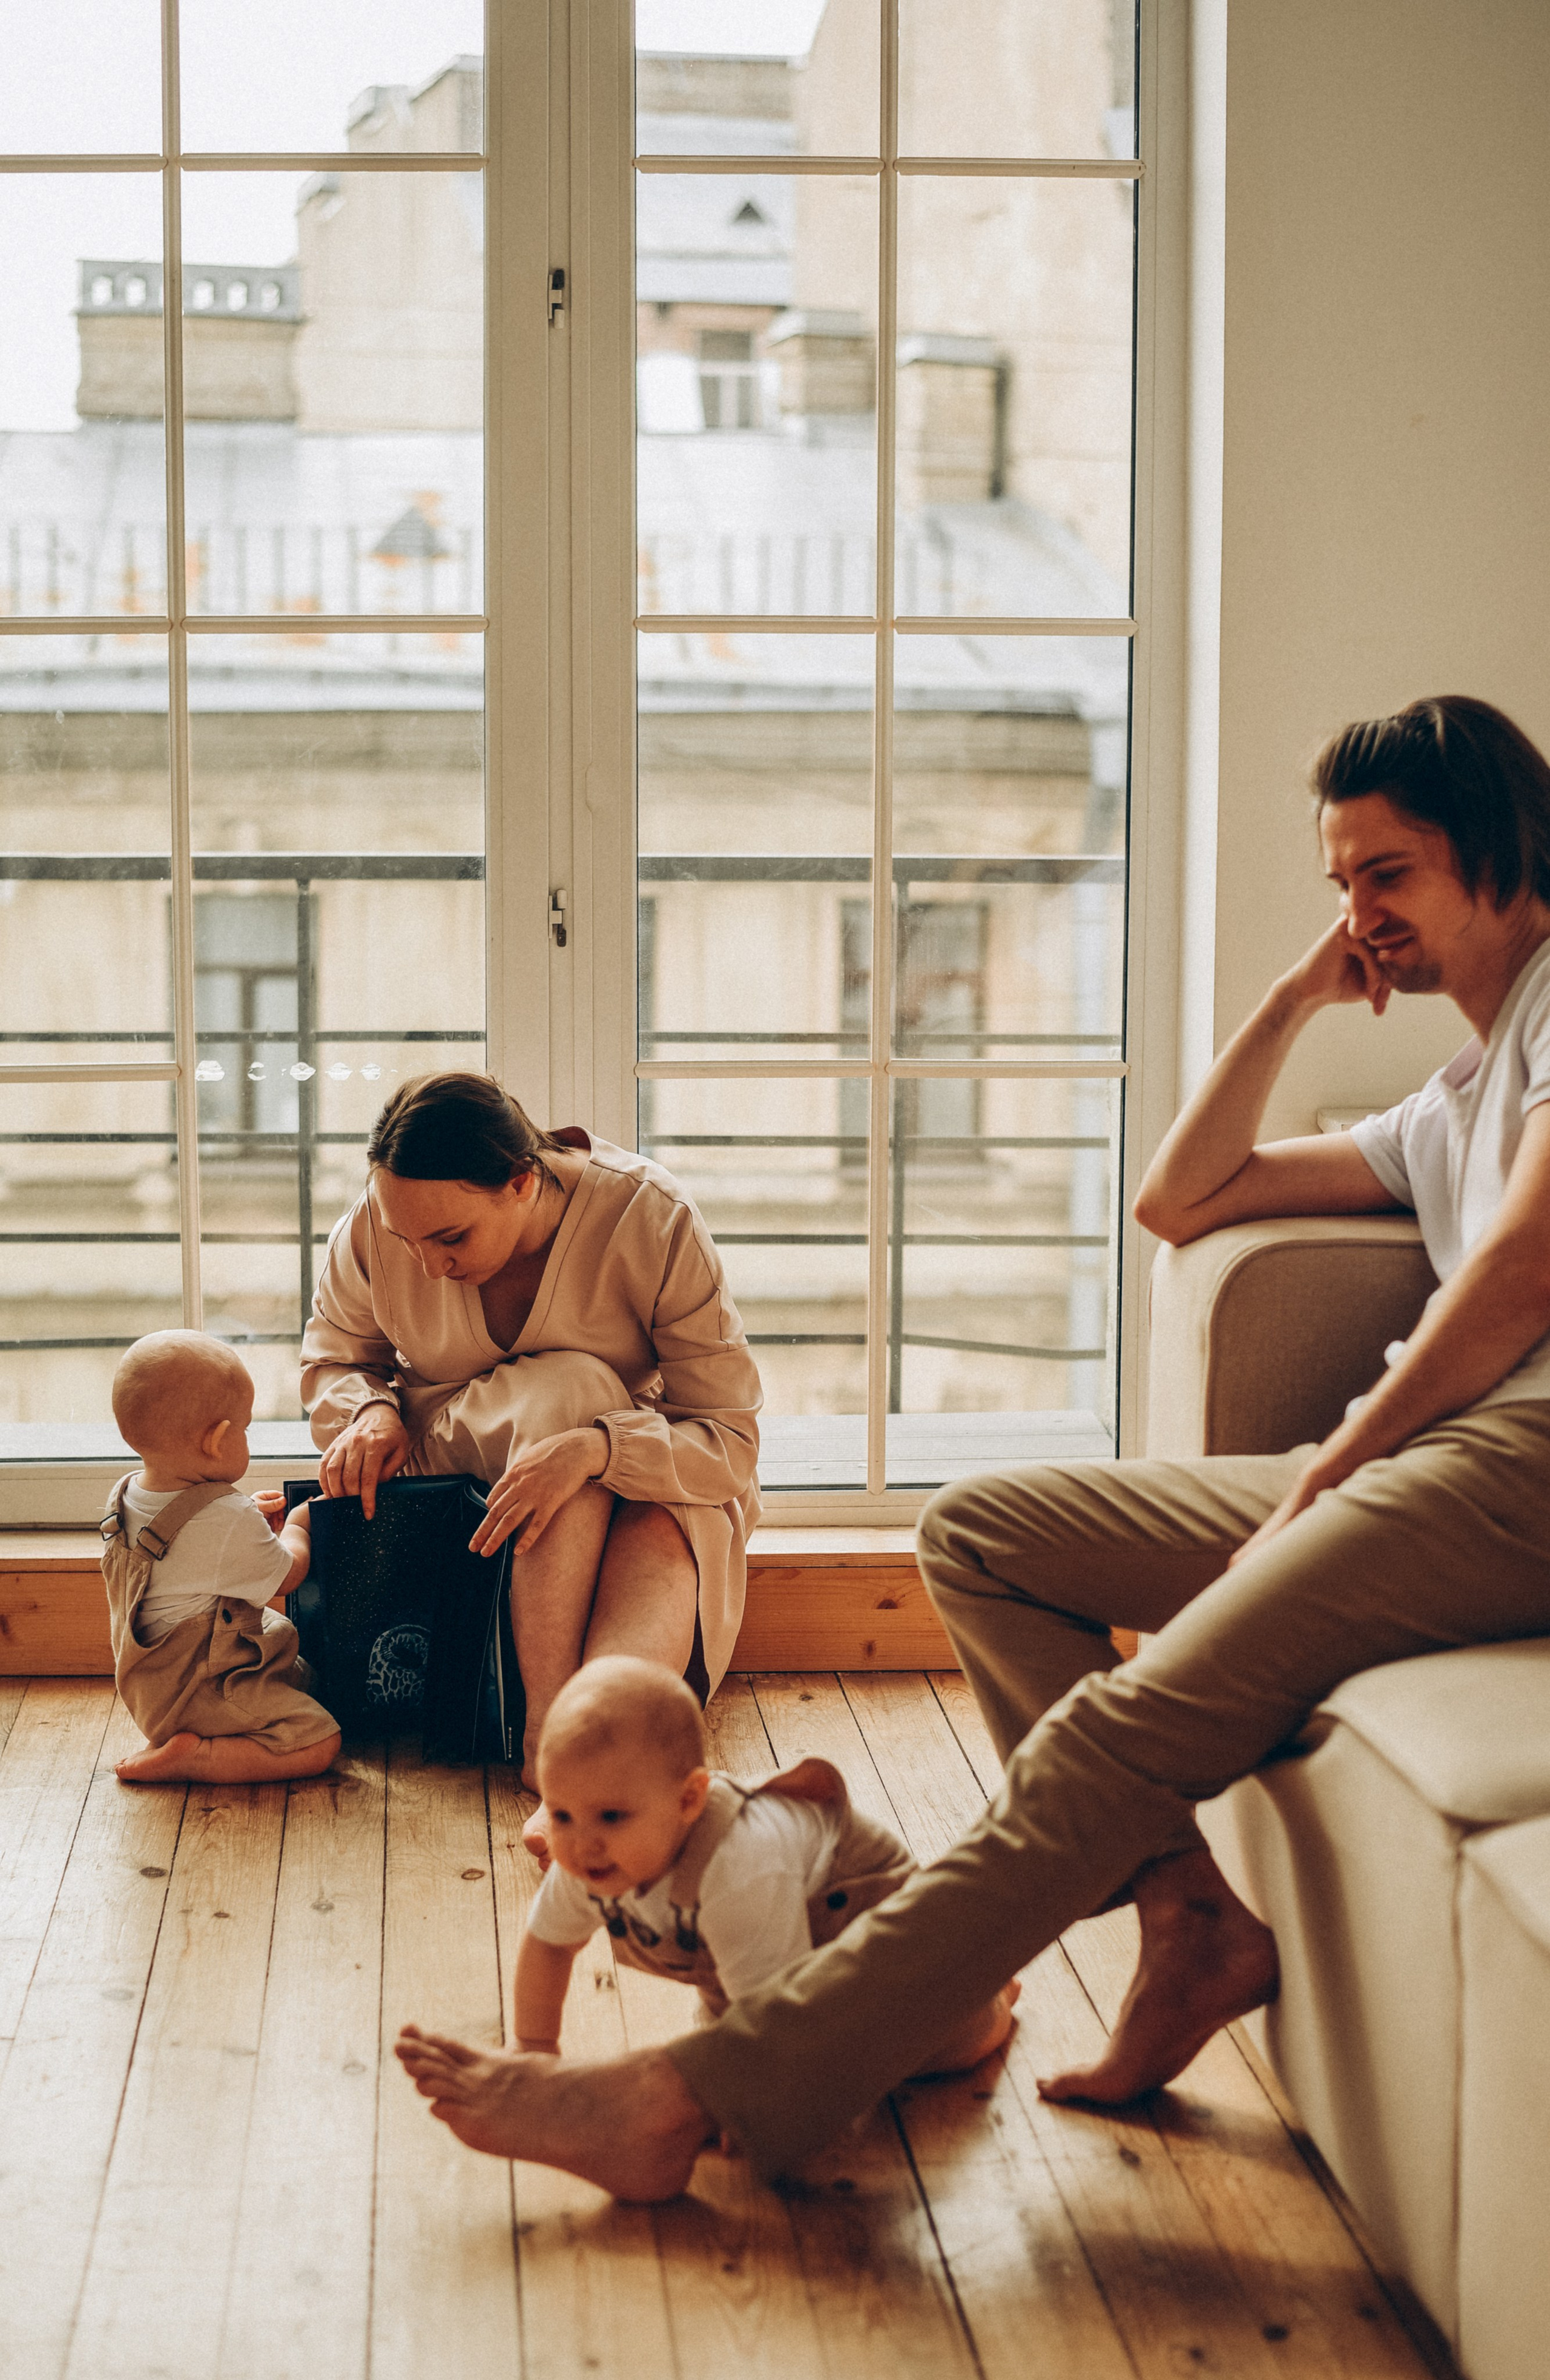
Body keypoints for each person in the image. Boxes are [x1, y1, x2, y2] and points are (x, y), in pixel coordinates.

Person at [383, 695, 1550, 2201]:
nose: (1357, 914)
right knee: (983, 1532)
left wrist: (1331, 1469)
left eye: (1385, 875)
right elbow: (1179, 1198)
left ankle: (694, 2098)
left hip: (1509, 1465)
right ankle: (1188, 1912)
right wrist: (1292, 997)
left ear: (1503, 853)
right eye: (1338, 881)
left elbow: (1518, 1274)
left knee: (1113, 1731)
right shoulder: (1455, 1092)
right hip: (1431, 1463)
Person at [300, 1074, 761, 1791]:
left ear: (521, 1181)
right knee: (576, 1388)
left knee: (661, 1516)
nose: (430, 1267)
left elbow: (727, 1438)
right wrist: (367, 1410)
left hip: (642, 1480)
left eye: (451, 1238)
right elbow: (334, 1360)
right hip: (447, 1496)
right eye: (404, 1240)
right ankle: (549, 1730)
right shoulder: (374, 1222)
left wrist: (596, 1450)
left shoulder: (650, 1216)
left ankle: (589, 1748)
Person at [483, 1654, 1017, 2060]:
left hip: (855, 1908)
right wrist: (534, 2046)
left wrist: (752, 2108)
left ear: (689, 1801)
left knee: (924, 2045)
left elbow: (775, 2022)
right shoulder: (590, 1859)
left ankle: (988, 1997)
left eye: (612, 1816)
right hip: (761, 1946)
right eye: (560, 1814)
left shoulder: (739, 1866)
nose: (581, 1844)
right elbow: (550, 1944)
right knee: (730, 2022)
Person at [102, 1330, 340, 1786]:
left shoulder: (127, 1495)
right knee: (319, 1741)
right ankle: (198, 1756)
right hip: (201, 1693)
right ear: (217, 1441)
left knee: (305, 1678)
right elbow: (288, 1576)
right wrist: (298, 1525)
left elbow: (191, 1551)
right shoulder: (226, 1518)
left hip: (149, 1691)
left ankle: (187, 1740)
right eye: (245, 1429)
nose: (248, 1437)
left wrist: (246, 1520)